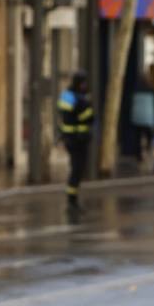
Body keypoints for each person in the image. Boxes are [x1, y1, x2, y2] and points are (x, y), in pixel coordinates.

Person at [57, 70, 95, 212]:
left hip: (71, 138)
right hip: (77, 139)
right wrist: (86, 104)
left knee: (76, 169)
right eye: (84, 83)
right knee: (77, 170)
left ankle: (72, 199)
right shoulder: (80, 100)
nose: (85, 85)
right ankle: (72, 201)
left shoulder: (67, 96)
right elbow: (89, 117)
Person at [130, 77, 154, 163]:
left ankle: (139, 155)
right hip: (148, 118)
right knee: (149, 135)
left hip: (137, 118)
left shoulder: (135, 91)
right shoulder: (152, 92)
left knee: (137, 137)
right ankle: (148, 149)